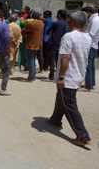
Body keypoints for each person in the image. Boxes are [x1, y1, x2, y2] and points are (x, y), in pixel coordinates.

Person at [48, 11, 92, 147]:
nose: (67, 23)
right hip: (78, 74)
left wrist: (61, 77)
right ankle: (55, 119)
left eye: (69, 21)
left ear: (73, 22)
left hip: (68, 76)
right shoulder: (88, 37)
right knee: (61, 97)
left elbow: (65, 58)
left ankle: (83, 136)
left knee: (69, 105)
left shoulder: (68, 36)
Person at [22, 11, 44, 81]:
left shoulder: (31, 23)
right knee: (33, 60)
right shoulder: (41, 23)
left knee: (30, 60)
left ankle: (31, 77)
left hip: (30, 44)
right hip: (38, 44)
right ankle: (33, 75)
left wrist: (24, 31)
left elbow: (24, 30)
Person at [49, 9, 69, 80]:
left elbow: (49, 32)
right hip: (63, 45)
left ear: (59, 15)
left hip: (54, 43)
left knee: (52, 60)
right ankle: (59, 75)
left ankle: (51, 75)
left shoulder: (55, 23)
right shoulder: (67, 24)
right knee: (60, 61)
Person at [82, 6, 99, 91]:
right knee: (91, 65)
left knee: (88, 65)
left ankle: (88, 85)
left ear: (88, 12)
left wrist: (81, 35)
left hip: (91, 45)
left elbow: (91, 34)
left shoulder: (95, 20)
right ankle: (91, 83)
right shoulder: (94, 19)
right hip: (92, 44)